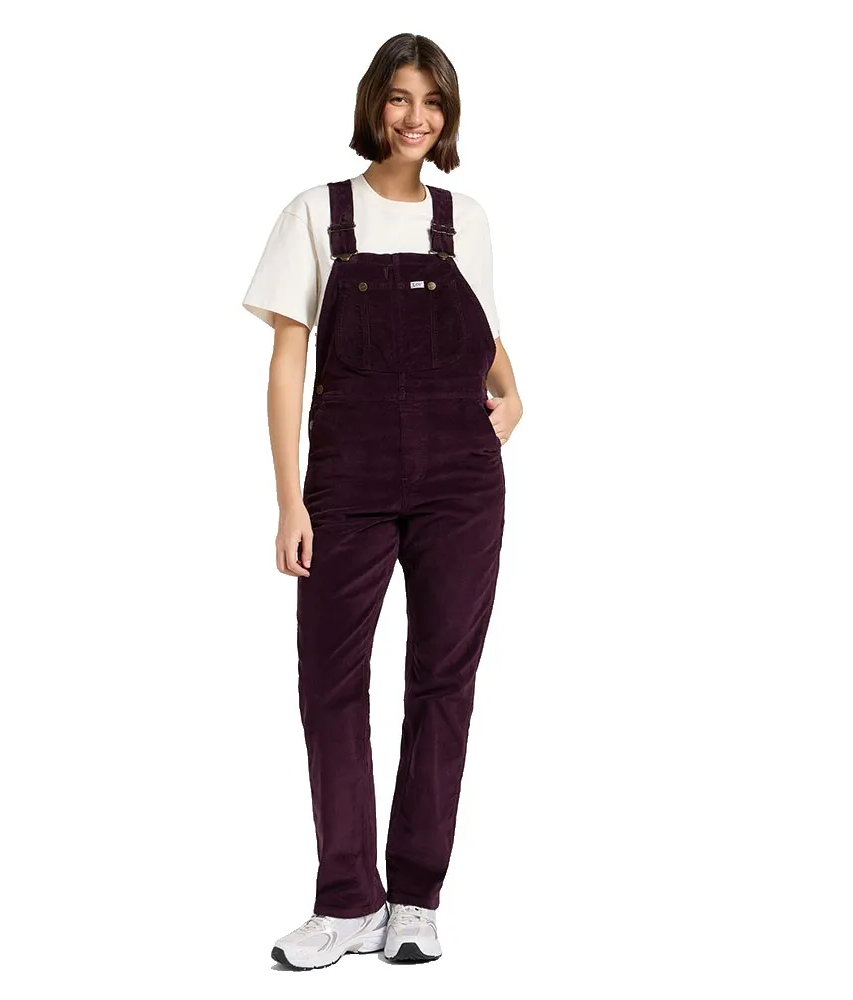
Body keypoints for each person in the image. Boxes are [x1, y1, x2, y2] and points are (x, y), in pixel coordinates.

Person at [242, 33, 523, 971]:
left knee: (442, 684)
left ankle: (414, 901)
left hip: (460, 484)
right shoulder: (316, 214)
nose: (416, 118)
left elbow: (488, 339)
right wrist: (290, 501)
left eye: (433, 102)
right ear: (375, 104)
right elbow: (287, 365)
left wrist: (512, 397)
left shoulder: (463, 219)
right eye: (401, 98)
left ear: (448, 115)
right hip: (346, 484)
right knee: (330, 683)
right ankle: (347, 902)